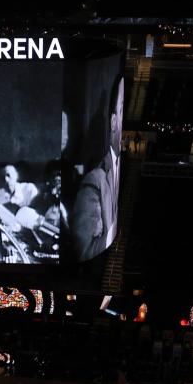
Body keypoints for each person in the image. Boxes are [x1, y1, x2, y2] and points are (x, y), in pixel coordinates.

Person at [71, 76, 124, 261]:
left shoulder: (117, 168)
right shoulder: (94, 180)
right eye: (122, 108)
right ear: (113, 122)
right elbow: (84, 250)